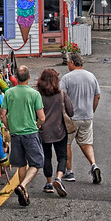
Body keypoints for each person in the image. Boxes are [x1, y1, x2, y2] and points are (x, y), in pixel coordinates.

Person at [0, 65, 45, 206]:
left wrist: (9, 127)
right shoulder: (34, 94)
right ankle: (23, 185)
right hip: (30, 132)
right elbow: (42, 117)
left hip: (15, 134)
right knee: (37, 162)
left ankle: (24, 193)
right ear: (29, 77)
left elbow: (2, 114)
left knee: (21, 164)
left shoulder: (9, 93)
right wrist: (37, 125)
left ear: (16, 78)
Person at [60, 52, 102, 184]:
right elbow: (97, 96)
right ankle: (94, 164)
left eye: (68, 62)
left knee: (66, 144)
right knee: (86, 143)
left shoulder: (67, 78)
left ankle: (70, 172)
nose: (67, 64)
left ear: (72, 62)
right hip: (87, 116)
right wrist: (92, 110)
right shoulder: (91, 76)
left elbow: (61, 98)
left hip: (71, 118)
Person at [36, 69, 74, 197]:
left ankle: (48, 183)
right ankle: (59, 177)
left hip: (43, 131)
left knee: (46, 156)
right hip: (60, 131)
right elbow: (71, 112)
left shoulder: (38, 95)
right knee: (62, 156)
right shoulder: (61, 95)